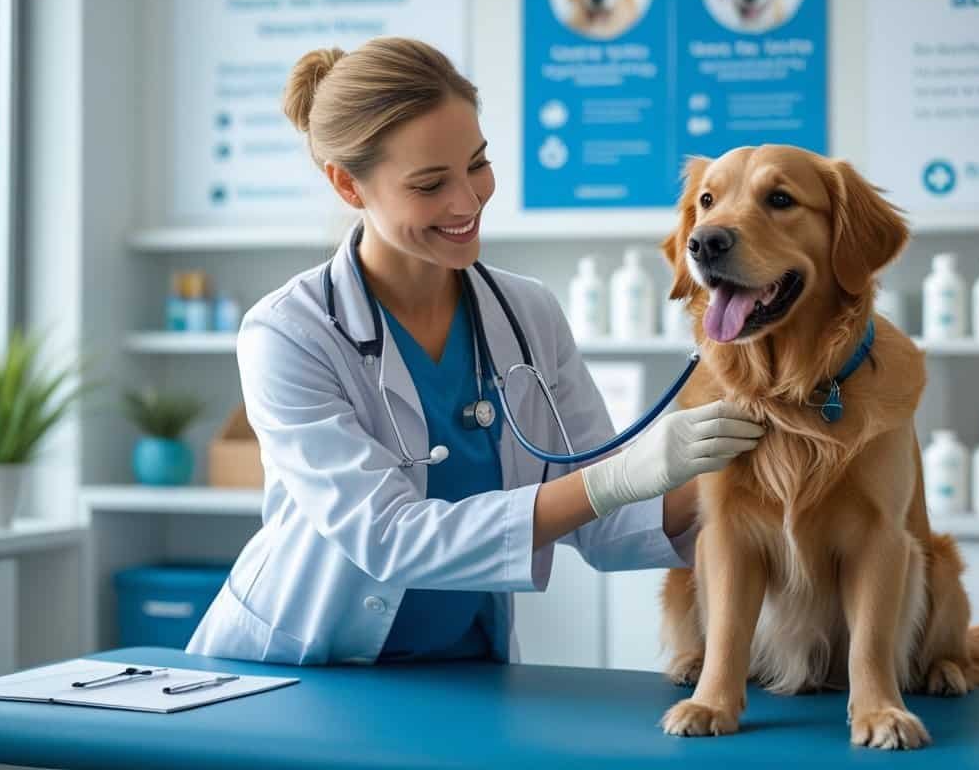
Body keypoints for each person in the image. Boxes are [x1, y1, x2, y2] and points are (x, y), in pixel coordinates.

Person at [186, 37, 763, 665]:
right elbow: (388, 537)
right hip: (305, 667)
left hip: (463, 669)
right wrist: (619, 476)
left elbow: (600, 521)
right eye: (430, 184)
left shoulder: (527, 313)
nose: (466, 202)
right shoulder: (289, 332)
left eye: (477, 164)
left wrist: (716, 472)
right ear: (348, 185)